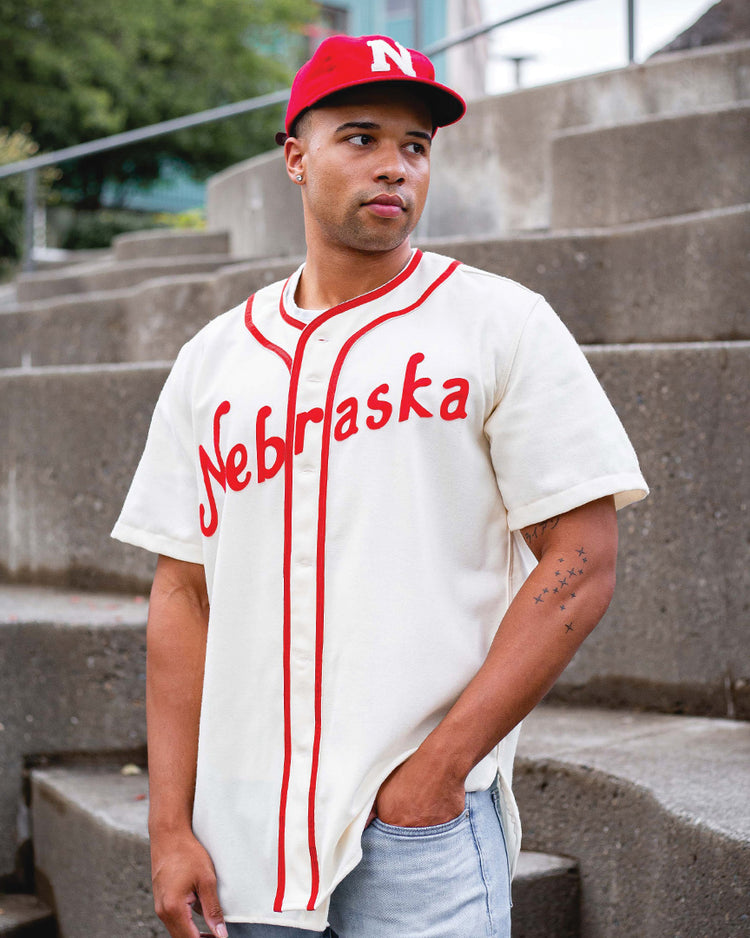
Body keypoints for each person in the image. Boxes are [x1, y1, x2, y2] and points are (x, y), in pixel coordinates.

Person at [112, 33, 648, 938]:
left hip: (420, 827)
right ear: (295, 157)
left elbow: (584, 558)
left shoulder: (502, 324)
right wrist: (170, 828)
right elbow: (182, 591)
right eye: (360, 138)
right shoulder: (212, 361)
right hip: (244, 828)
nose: (394, 166)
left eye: (415, 145)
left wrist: (442, 769)